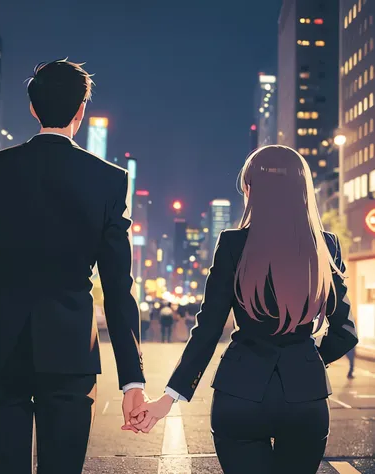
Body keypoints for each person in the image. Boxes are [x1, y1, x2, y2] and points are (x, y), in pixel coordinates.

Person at [0, 59, 147, 474]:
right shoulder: (108, 179)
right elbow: (117, 287)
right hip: (72, 353)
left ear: (33, 109)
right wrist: (132, 380)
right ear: (81, 112)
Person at [131, 146, 358, 474]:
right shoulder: (326, 245)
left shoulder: (233, 244)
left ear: (251, 191)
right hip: (305, 399)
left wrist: (168, 399)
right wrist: (308, 359)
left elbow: (207, 330)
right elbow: (345, 331)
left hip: (240, 395)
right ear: (303, 191)